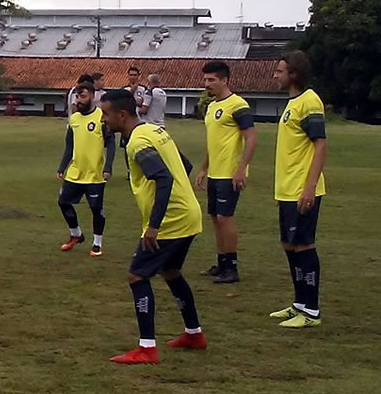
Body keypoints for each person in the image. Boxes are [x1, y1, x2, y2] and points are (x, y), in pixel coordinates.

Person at [99, 89, 206, 364]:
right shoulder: (155, 131)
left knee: (137, 276)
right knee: (170, 272)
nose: (102, 119)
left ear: (122, 115)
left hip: (171, 221)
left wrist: (154, 225)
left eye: (106, 114)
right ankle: (194, 334)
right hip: (188, 215)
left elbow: (163, 178)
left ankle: (147, 348)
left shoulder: (138, 142)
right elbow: (185, 164)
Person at [268, 50, 328, 329]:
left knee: (304, 245)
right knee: (289, 245)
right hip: (286, 189)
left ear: (293, 73)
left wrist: (310, 186)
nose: (275, 75)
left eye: (280, 71)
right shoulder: (293, 103)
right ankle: (299, 304)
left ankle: (312, 310)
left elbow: (320, 144)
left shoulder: (309, 101)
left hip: (302, 189)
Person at [194, 60, 257, 284]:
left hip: (230, 173)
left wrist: (241, 169)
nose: (207, 84)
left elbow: (251, 137)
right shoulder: (211, 107)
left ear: (224, 80)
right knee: (215, 218)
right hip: (215, 173)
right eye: (205, 79)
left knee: (225, 217)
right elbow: (214, 143)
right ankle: (221, 264)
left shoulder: (238, 105)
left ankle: (232, 267)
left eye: (211, 80)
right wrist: (203, 168)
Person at [57, 82, 115, 256]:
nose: (79, 100)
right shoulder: (74, 119)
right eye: (77, 96)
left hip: (94, 174)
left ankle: (97, 243)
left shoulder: (101, 117)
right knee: (63, 202)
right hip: (75, 172)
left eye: (82, 96)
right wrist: (62, 166)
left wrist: (108, 167)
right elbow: (69, 145)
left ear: (92, 96)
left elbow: (111, 143)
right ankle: (76, 234)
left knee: (96, 209)